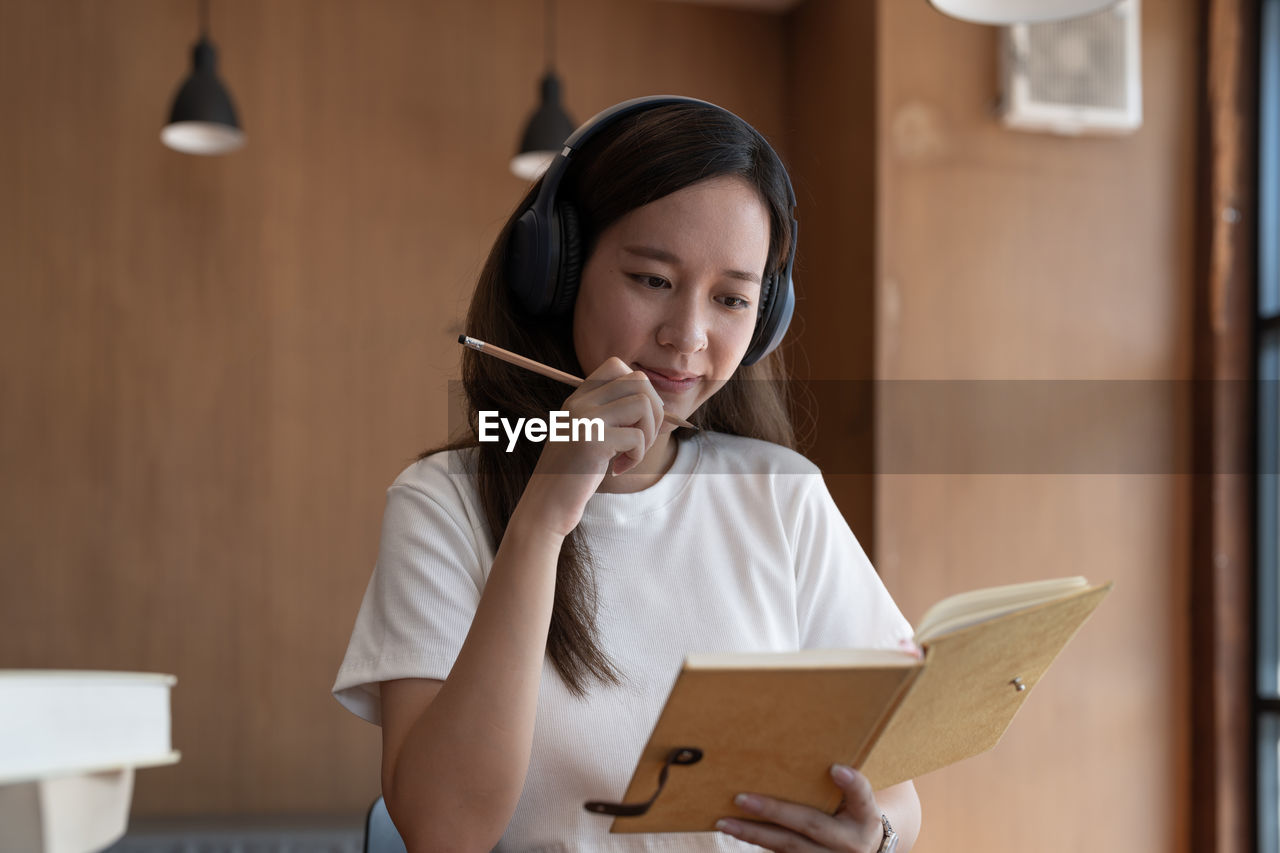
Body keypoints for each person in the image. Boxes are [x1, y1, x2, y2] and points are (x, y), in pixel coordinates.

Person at [333, 96, 922, 852]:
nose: (687, 336)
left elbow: (897, 793)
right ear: (556, 271)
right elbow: (444, 830)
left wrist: (871, 836)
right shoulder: (443, 503)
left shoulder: (784, 493)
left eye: (732, 298)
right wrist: (543, 516)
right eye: (650, 279)